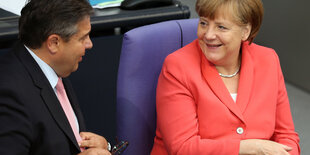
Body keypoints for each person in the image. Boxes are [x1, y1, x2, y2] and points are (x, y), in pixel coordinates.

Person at [151, 0, 300, 154]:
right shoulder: (178, 67)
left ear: (245, 31)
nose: (208, 35)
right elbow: (183, 148)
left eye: (221, 27)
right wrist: (252, 148)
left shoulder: (268, 60)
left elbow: (285, 135)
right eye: (203, 23)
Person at [0, 0, 111, 154]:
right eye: (82, 38)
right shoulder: (9, 94)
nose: (89, 44)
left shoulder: (52, 65)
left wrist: (102, 147)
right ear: (53, 43)